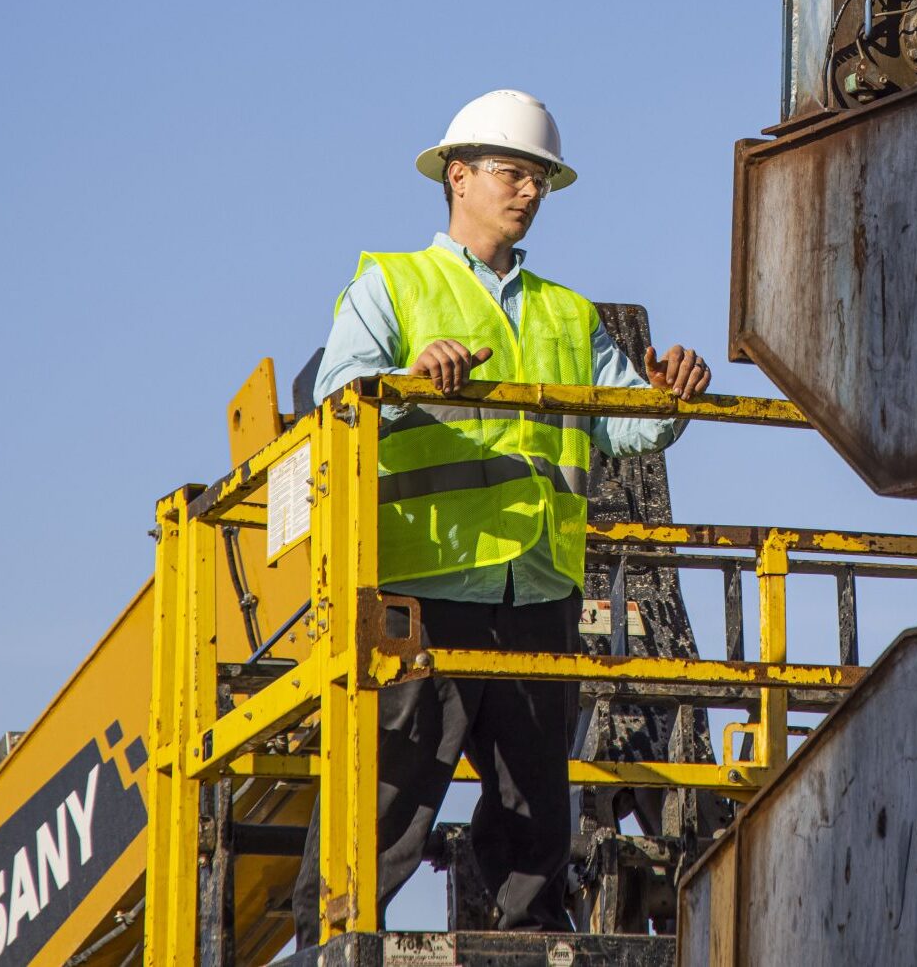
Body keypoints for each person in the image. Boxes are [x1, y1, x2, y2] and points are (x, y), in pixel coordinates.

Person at [292, 89, 711, 943]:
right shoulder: (392, 286)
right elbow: (335, 399)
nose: (529, 193)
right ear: (459, 177)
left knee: (535, 800)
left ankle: (532, 944)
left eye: (540, 181)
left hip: (538, 588)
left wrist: (670, 399)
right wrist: (412, 375)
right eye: (514, 173)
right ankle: (336, 941)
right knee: (391, 789)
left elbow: (624, 420)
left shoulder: (567, 312)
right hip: (426, 585)